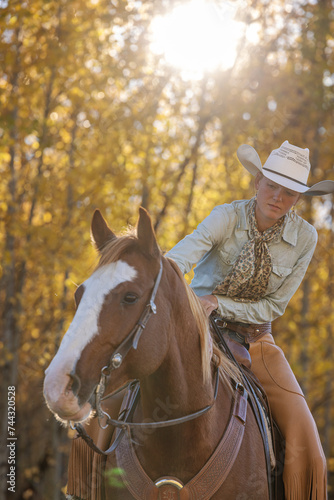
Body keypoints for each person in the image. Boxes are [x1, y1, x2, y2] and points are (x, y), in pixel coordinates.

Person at [166, 140, 334, 500]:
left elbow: (274, 305)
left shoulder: (305, 238)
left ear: (298, 200)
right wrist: (164, 275)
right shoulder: (226, 216)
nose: (277, 197)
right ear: (256, 181)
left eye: (289, 192)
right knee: (114, 389)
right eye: (271, 185)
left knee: (308, 444)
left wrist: (217, 302)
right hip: (197, 328)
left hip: (255, 340)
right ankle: (86, 485)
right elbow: (182, 255)